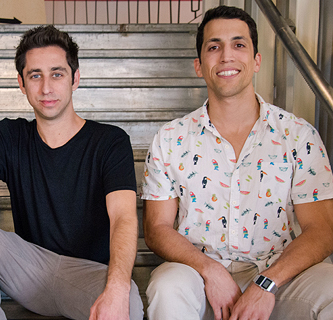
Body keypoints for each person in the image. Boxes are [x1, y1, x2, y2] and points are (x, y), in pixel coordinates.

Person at [0, 25, 143, 320]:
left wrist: (118, 287)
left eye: (57, 74)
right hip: (28, 270)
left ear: (75, 78)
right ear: (21, 82)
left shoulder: (110, 141)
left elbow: (123, 217)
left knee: (130, 303)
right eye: (35, 75)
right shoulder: (8, 135)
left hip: (87, 275)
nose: (46, 88)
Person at [141, 5, 333, 320]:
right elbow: (157, 228)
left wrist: (266, 284)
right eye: (214, 47)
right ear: (199, 66)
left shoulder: (298, 135)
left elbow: (322, 230)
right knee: (167, 286)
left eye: (239, 44)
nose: (227, 56)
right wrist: (210, 270)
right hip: (200, 279)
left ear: (256, 61)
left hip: (277, 277)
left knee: (330, 286)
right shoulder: (171, 138)